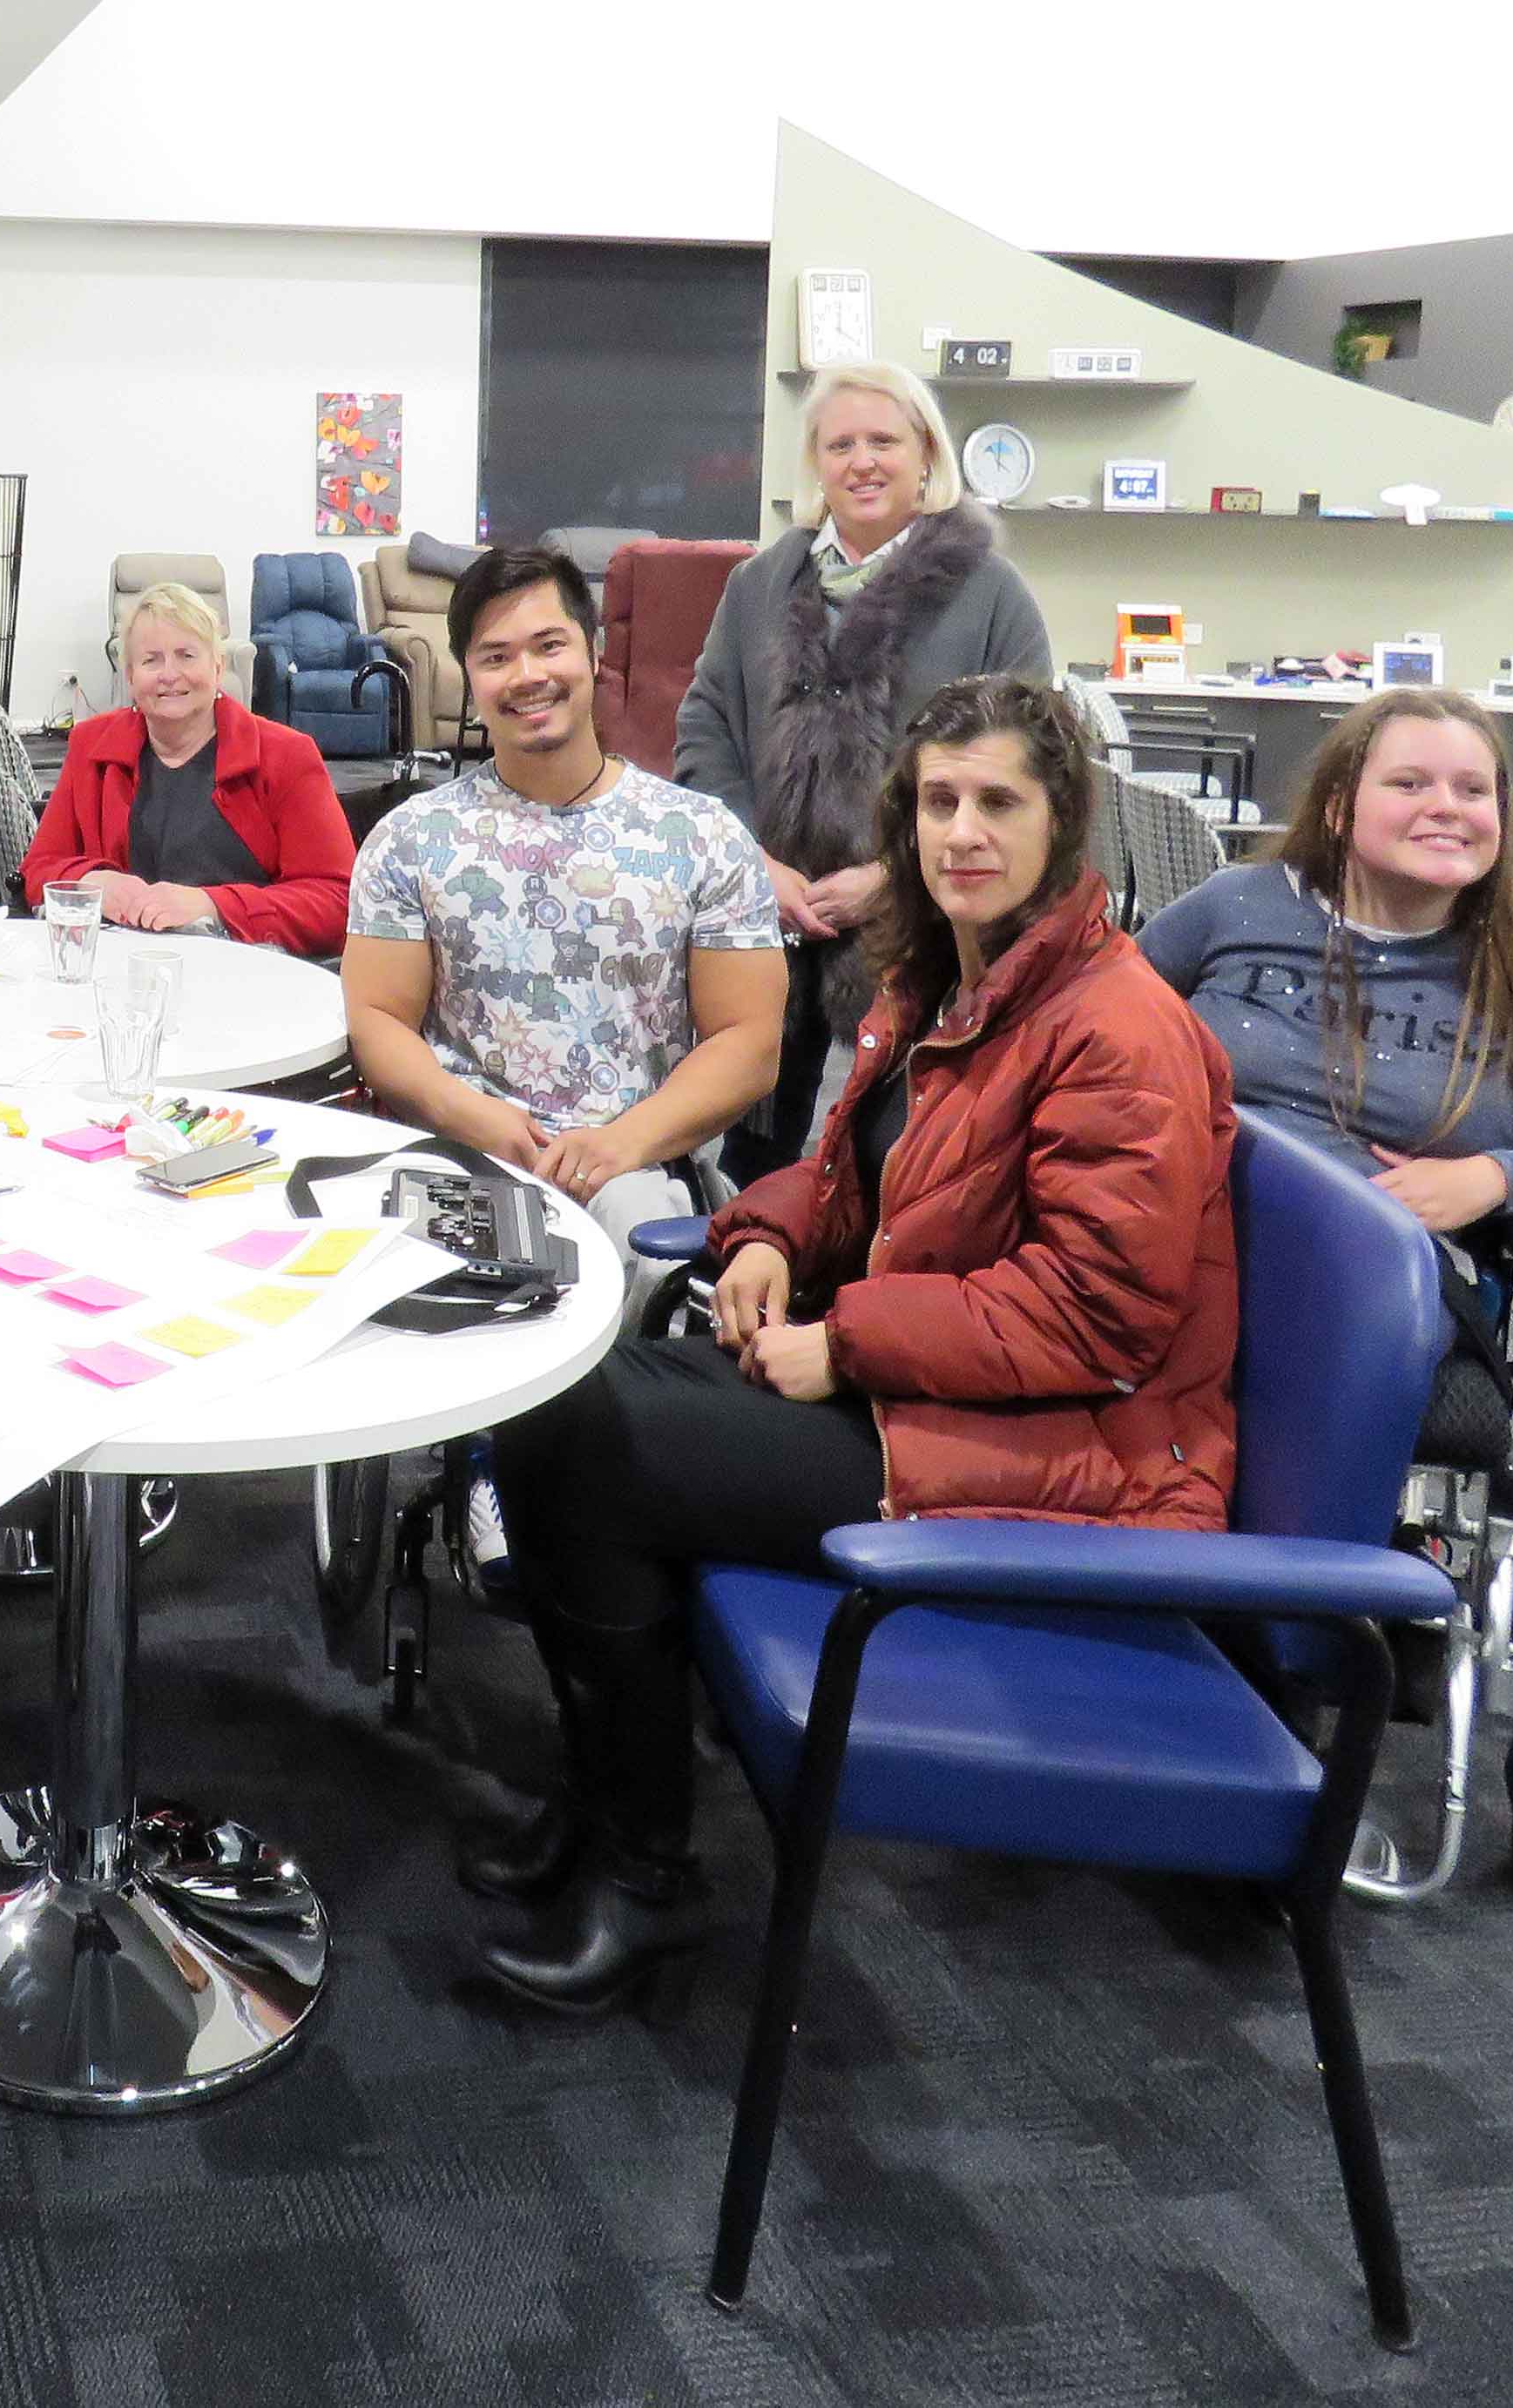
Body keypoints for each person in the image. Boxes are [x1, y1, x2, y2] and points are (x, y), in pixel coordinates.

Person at [477, 677, 1238, 2014]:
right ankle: (607, 1804)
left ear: (1063, 825)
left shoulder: (1116, 1028)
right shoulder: (950, 975)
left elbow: (1096, 1314)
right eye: (937, 801)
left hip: (1065, 1455)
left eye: (998, 801)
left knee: (588, 1441)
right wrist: (767, 1239)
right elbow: (847, 1178)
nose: (961, 831)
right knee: (557, 1399)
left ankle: (647, 1870)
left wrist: (849, 1343)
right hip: (940, 1393)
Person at [343, 543, 785, 1272]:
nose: (527, 677)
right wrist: (481, 1122)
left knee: (646, 1270)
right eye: (496, 656)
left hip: (634, 1163)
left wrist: (619, 1143)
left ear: (594, 651)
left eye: (549, 646)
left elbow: (750, 1042)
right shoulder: (412, 839)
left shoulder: (701, 837)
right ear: (468, 674)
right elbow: (377, 1018)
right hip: (464, 1153)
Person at [676, 361, 1051, 1184]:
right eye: (840, 443)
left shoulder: (993, 595)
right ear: (816, 463)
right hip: (764, 926)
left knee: (899, 1164)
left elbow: (1031, 769)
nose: (863, 460)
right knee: (754, 1162)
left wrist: (894, 878)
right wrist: (752, 863)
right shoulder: (760, 585)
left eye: (884, 440)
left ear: (927, 455)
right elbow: (705, 727)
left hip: (928, 936)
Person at [1140, 686, 1513, 1234]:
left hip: (1393, 1280)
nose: (1446, 806)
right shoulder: (1235, 905)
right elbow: (1090, 1030)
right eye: (1408, 784)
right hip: (1181, 1235)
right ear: (1337, 809)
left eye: (1472, 790)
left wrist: (1499, 1177)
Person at [23, 582, 357, 953]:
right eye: (151, 660)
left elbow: (338, 901)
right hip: (118, 972)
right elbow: (38, 870)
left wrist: (211, 905)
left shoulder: (288, 756)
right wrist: (94, 882)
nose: (170, 674)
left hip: (245, 977)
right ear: (130, 677)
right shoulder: (90, 747)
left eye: (186, 656)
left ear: (218, 667)